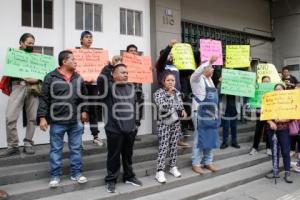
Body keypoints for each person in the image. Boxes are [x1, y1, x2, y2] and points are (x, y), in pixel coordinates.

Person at [37, 50, 89, 188]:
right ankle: (55, 176)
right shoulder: (50, 77)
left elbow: (84, 97)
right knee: (56, 149)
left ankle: (76, 173)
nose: (75, 61)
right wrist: (42, 118)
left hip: (75, 121)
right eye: (72, 59)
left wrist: (84, 110)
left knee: (76, 148)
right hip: (57, 121)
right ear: (64, 61)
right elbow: (44, 99)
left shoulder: (78, 77)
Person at [101, 63, 142, 193]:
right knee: (113, 156)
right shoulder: (108, 88)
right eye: (122, 72)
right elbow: (100, 80)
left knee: (128, 155)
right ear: (113, 75)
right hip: (114, 130)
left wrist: (136, 123)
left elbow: (136, 105)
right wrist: (108, 67)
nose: (126, 75)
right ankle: (111, 180)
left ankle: (129, 176)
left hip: (130, 129)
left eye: (127, 73)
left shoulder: (131, 87)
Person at [0, 33, 39, 157]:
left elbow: (43, 74)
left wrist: (37, 79)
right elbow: (10, 71)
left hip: (33, 88)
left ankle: (28, 143)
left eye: (32, 43)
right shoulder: (14, 55)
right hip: (18, 86)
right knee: (10, 117)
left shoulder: (37, 57)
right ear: (21, 43)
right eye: (28, 43)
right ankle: (13, 146)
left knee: (32, 117)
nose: (31, 45)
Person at [155, 39, 190, 148]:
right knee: (166, 118)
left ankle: (177, 140)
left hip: (176, 95)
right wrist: (169, 46)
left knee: (176, 119)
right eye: (169, 54)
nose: (171, 56)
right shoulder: (161, 66)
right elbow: (163, 57)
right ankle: (164, 141)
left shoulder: (175, 66)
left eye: (171, 54)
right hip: (165, 96)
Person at [153, 73, 187, 183]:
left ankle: (173, 167)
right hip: (164, 123)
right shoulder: (158, 93)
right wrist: (169, 95)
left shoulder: (177, 92)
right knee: (163, 146)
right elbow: (162, 106)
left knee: (173, 145)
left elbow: (179, 106)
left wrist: (182, 109)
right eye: (168, 80)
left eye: (173, 80)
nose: (171, 82)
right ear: (164, 82)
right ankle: (160, 171)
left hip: (175, 122)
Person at [190, 55, 219, 174]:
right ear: (204, 68)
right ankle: (196, 163)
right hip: (199, 112)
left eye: (212, 67)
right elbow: (198, 71)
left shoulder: (210, 80)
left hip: (211, 113)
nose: (212, 69)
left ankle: (208, 161)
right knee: (199, 138)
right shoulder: (196, 78)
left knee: (210, 137)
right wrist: (209, 61)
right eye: (211, 67)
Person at [265, 83, 292, 183]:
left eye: (280, 89)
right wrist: (270, 121)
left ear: (284, 90)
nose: (278, 91)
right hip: (272, 130)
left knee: (285, 151)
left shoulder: (288, 101)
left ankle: (287, 173)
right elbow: (265, 113)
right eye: (276, 89)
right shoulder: (270, 100)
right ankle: (275, 171)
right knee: (275, 151)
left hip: (284, 130)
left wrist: (283, 119)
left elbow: (293, 115)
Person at [79, 31, 103, 146]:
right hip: (81, 86)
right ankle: (79, 137)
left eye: (91, 37)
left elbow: (100, 70)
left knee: (93, 110)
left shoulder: (96, 54)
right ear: (81, 40)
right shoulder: (76, 53)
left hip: (93, 86)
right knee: (82, 110)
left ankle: (95, 136)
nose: (89, 39)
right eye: (86, 37)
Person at [249, 76, 272, 156]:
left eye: (268, 81)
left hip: (270, 111)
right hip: (260, 111)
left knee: (268, 130)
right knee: (258, 130)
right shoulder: (257, 88)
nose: (266, 83)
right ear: (262, 82)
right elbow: (252, 96)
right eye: (264, 81)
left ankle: (268, 148)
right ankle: (255, 148)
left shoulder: (272, 89)